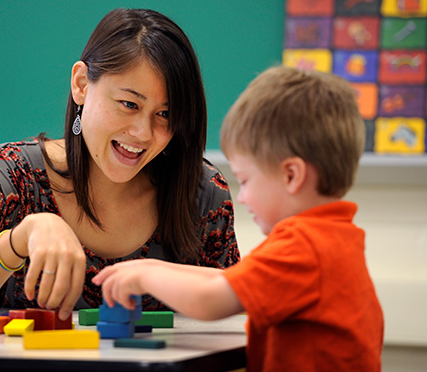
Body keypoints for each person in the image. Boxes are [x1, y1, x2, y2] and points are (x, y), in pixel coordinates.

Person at [0, 8, 240, 326]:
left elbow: (237, 318)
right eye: (129, 104)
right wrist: (18, 239)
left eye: (165, 114)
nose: (142, 133)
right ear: (81, 84)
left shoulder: (202, 193)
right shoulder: (7, 174)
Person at [94, 65, 384, 372]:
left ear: (291, 175)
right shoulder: (334, 237)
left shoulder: (303, 245)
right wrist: (154, 267)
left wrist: (145, 278)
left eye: (246, 180)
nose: (242, 197)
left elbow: (211, 300)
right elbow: (233, 281)